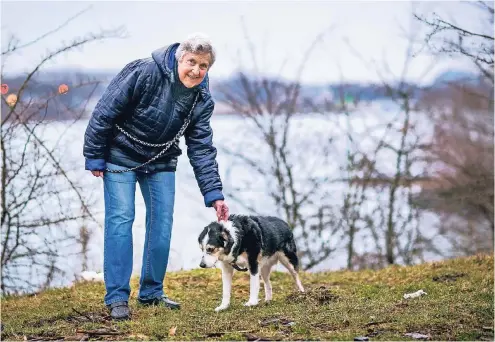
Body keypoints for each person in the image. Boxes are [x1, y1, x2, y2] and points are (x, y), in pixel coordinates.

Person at [83, 33, 229, 320]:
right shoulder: (144, 71)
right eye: (191, 63)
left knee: (162, 224)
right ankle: (117, 298)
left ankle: (151, 293)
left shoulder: (201, 98)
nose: (196, 71)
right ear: (179, 58)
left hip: (160, 160)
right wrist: (95, 155)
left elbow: (201, 147)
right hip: (120, 158)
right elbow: (104, 112)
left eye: (203, 66)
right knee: (121, 222)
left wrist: (214, 194)